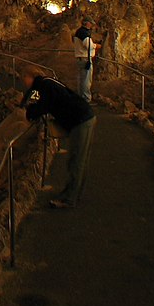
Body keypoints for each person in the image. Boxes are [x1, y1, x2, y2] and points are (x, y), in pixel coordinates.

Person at [19, 72, 97, 209]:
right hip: (83, 117)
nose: (23, 81)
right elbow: (32, 96)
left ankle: (69, 199)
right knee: (79, 159)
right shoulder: (45, 83)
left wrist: (29, 112)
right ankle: (73, 193)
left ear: (30, 77)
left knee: (77, 160)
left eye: (23, 78)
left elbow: (40, 107)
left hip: (81, 120)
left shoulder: (45, 87)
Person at [72, 18, 101, 101]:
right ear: (87, 23)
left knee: (81, 79)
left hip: (81, 58)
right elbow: (88, 45)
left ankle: (80, 98)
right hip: (85, 59)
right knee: (86, 80)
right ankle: (85, 99)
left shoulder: (80, 32)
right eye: (90, 23)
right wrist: (96, 46)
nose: (91, 25)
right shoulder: (83, 33)